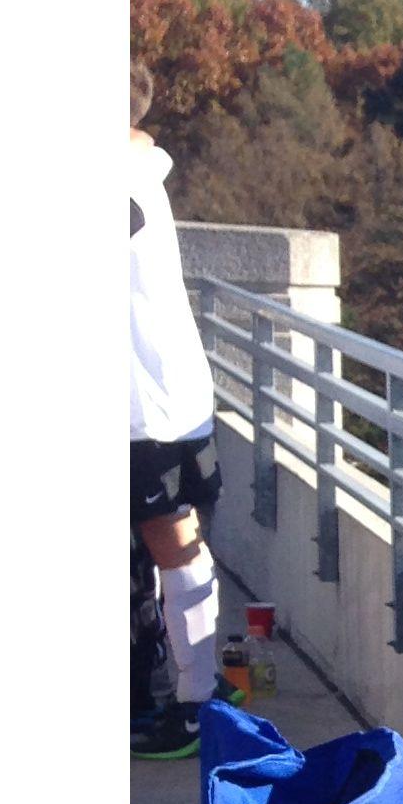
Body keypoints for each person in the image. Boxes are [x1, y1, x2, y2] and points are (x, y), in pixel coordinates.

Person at [130, 62, 225, 757]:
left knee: (172, 546)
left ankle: (193, 707)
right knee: (173, 548)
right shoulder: (143, 171)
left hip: (141, 408)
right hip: (172, 400)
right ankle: (191, 698)